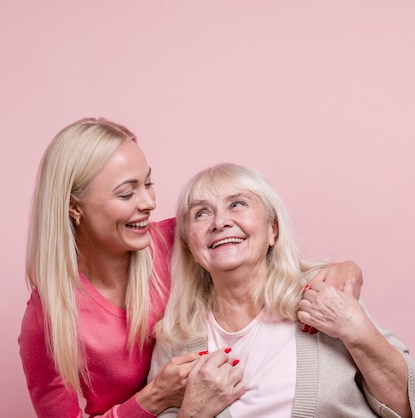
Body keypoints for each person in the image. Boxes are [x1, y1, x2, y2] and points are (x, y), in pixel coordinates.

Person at [18, 118, 363, 418]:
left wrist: (346, 269)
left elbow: (266, 253)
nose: (149, 203)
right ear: (74, 207)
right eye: (127, 194)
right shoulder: (47, 317)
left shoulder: (181, 241)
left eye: (148, 184)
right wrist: (152, 400)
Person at [149, 162, 415, 418]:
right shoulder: (176, 336)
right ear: (189, 246)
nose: (219, 222)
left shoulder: (322, 292)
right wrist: (194, 414)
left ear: (273, 230)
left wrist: (357, 329)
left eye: (237, 205)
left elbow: (408, 407)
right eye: (201, 213)